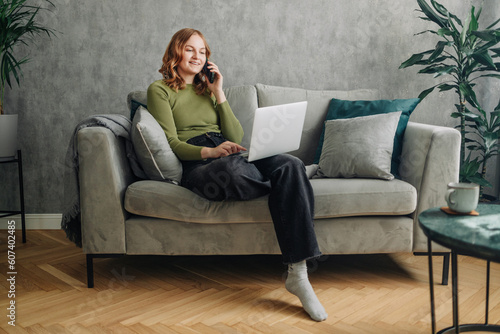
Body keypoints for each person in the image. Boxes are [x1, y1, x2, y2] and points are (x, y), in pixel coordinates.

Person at [147, 28, 328, 322]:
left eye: (203, 52)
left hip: (231, 152)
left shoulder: (209, 90)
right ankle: (293, 184)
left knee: (289, 164)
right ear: (176, 51)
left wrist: (219, 92)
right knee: (235, 172)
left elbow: (236, 134)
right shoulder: (159, 90)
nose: (197, 56)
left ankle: (298, 274)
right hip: (200, 162)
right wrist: (210, 152)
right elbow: (171, 144)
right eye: (191, 49)